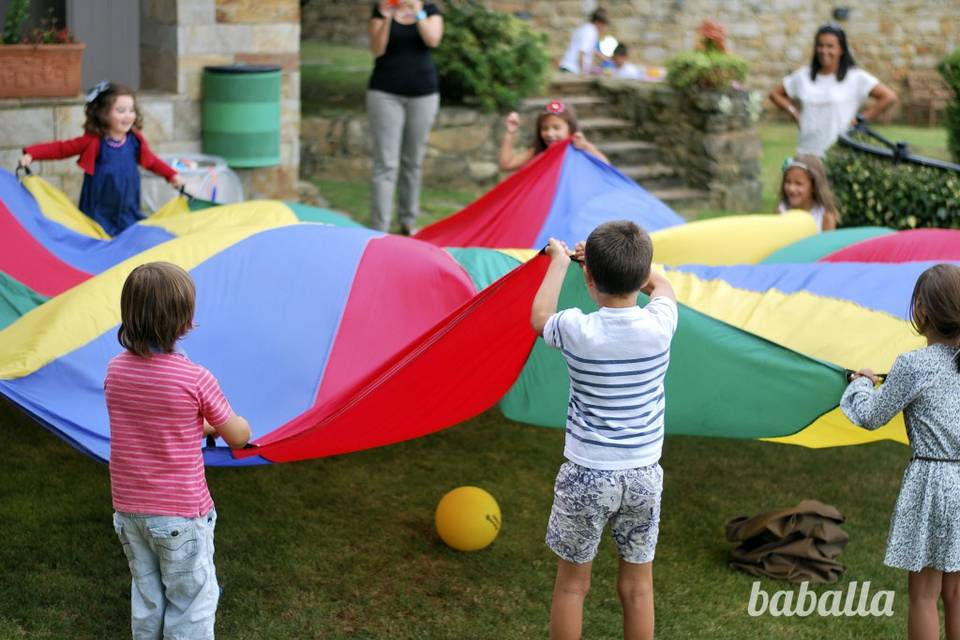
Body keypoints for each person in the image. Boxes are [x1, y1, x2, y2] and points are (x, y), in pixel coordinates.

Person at [530, 221, 678, 640]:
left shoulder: (578, 329)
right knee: (637, 587)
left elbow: (539, 317)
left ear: (589, 276)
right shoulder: (660, 325)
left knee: (573, 586)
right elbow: (663, 286)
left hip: (587, 475)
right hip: (644, 476)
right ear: (641, 273)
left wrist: (559, 262)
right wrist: (637, 268)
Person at [106, 262, 252, 639]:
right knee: (192, 601)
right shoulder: (194, 378)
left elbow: (154, 424)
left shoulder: (115, 372)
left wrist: (196, 425)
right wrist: (241, 423)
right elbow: (236, 435)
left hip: (129, 510)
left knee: (149, 593)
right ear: (185, 322)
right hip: (180, 515)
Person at [841, 263, 960, 640]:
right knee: (956, 593)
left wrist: (860, 384)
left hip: (934, 484)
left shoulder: (912, 365)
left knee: (924, 595)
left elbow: (871, 416)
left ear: (922, 312)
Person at [19, 82, 184, 236]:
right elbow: (62, 148)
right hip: (98, 213)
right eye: (121, 111)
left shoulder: (135, 140)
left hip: (127, 210)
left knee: (128, 241)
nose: (128, 115)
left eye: (131, 110)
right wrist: (32, 154)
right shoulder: (93, 141)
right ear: (103, 113)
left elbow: (152, 161)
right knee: (98, 242)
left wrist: (172, 175)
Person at [367, 0, 443, 235]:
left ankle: (408, 221)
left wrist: (417, 12)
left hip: (423, 94)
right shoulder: (380, 10)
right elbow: (377, 49)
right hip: (384, 94)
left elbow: (433, 40)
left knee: (413, 161)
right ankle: (379, 227)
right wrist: (388, 17)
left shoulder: (430, 11)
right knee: (386, 164)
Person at [769, 23, 898, 157]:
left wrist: (861, 119)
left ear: (841, 49)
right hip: (806, 151)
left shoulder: (855, 77)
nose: (824, 51)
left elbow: (889, 96)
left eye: (830, 46)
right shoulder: (803, 76)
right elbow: (775, 94)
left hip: (840, 152)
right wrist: (794, 113)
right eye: (820, 45)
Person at [498, 100, 609, 172]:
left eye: (556, 128)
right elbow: (506, 165)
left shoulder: (579, 151)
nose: (550, 134)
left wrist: (586, 146)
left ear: (570, 129)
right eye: (545, 128)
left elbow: (606, 167)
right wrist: (510, 132)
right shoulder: (538, 152)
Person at [776, 154, 840, 231]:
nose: (791, 188)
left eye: (798, 184)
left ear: (814, 186)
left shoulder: (825, 216)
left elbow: (829, 242)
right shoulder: (782, 210)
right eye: (788, 182)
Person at [558, 8, 609, 76]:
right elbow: (582, 53)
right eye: (604, 25)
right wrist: (585, 74)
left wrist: (605, 58)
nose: (604, 28)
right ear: (599, 23)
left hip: (567, 67)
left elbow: (590, 49)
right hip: (572, 70)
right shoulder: (591, 32)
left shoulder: (584, 28)